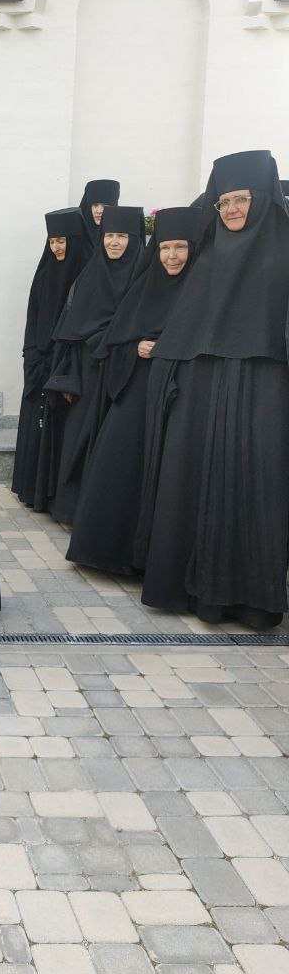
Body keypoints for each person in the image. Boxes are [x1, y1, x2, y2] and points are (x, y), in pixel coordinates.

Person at [136, 151, 289, 630]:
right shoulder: (209, 257)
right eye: (223, 202)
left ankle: (253, 601)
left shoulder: (284, 255)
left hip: (264, 395)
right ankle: (196, 592)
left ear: (262, 199)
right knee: (195, 486)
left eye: (241, 199)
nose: (231, 210)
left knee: (257, 492)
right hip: (204, 396)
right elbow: (184, 328)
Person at [66, 207, 198, 575]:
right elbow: (116, 339)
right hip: (138, 390)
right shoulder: (145, 287)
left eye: (180, 247)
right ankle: (108, 552)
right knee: (120, 460)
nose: (171, 256)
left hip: (181, 396)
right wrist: (135, 347)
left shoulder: (201, 290)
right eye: (165, 248)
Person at [44, 204, 145, 524]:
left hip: (126, 376)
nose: (114, 242)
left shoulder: (145, 280)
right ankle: (72, 511)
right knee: (78, 440)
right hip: (88, 376)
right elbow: (71, 332)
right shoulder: (90, 277)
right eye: (109, 235)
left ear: (135, 239)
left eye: (122, 236)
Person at [11, 208, 88, 509]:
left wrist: (61, 361)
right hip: (39, 362)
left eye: (62, 241)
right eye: (52, 241)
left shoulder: (85, 277)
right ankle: (32, 490)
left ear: (75, 241)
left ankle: (54, 497)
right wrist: (32, 356)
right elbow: (33, 318)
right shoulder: (44, 274)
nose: (56, 247)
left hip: (66, 365)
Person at [78, 178, 120, 242]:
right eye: (95, 205)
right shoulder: (78, 237)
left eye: (104, 206)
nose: (99, 211)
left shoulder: (121, 236)